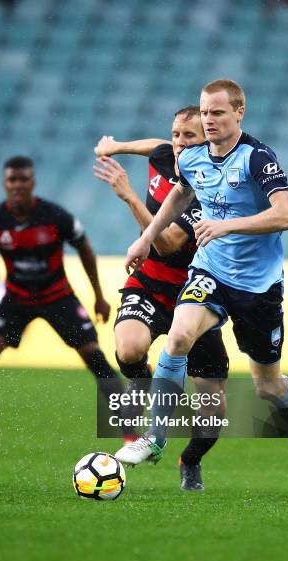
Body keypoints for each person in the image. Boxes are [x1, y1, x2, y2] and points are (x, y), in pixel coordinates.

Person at [116, 79, 288, 481]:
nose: (209, 120)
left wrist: (228, 226)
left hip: (258, 287)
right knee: (177, 339)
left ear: (239, 113)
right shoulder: (192, 158)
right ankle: (155, 437)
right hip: (210, 271)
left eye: (218, 112)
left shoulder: (257, 158)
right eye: (204, 112)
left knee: (268, 386)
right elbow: (181, 194)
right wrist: (146, 238)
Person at [93, 106, 229, 491]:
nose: (180, 145)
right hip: (149, 284)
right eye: (177, 135)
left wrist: (128, 196)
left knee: (212, 414)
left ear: (209, 142)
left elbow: (167, 244)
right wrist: (117, 146)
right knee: (129, 349)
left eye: (190, 138)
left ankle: (190, 459)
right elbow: (154, 145)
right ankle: (156, 412)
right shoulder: (166, 153)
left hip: (195, 294)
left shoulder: (208, 187)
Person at [0, 155, 122, 450]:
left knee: (95, 358)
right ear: (5, 184)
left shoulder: (55, 216)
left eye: (23, 179)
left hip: (58, 296)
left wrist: (98, 296)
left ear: (33, 182)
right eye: (12, 180)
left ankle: (129, 434)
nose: (18, 185)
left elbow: (86, 251)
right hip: (16, 298)